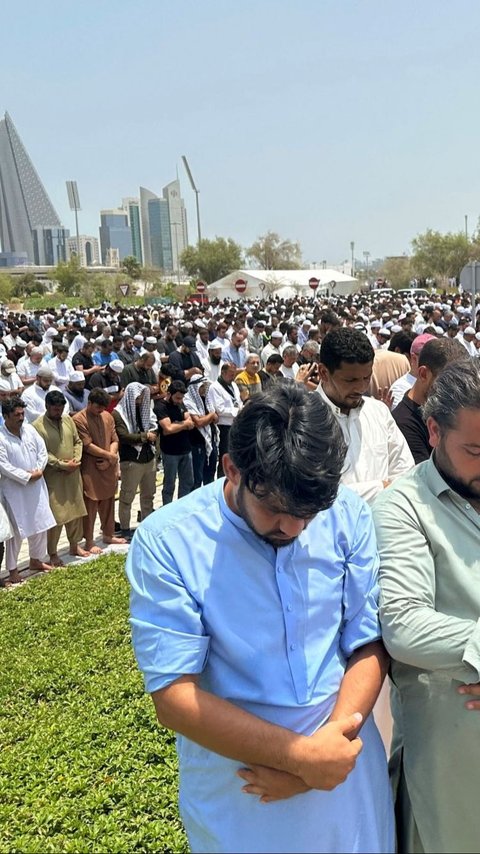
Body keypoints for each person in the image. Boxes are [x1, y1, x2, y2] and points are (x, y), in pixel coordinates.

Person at [126, 383, 394, 854]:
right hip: (246, 786)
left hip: (345, 765)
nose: (293, 528)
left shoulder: (347, 513)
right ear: (232, 469)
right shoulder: (168, 542)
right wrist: (301, 760)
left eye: (309, 515)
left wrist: (325, 753)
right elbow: (174, 696)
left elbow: (367, 642)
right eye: (275, 510)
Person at [372, 359, 480, 854]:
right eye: (476, 451)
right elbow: (404, 625)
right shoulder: (404, 507)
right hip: (454, 752)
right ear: (433, 430)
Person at [318, 328, 414, 503]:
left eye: (367, 378)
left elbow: (406, 475)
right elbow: (315, 495)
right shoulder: (301, 419)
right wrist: (380, 488)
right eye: (351, 380)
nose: (361, 388)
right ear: (324, 372)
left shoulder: (379, 412)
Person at [0, 396, 55, 584]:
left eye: (22, 413)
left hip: (36, 485)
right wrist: (26, 476)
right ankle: (13, 570)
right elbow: (3, 465)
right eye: (17, 414)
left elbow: (42, 451)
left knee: (40, 524)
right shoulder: (1, 436)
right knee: (17, 531)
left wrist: (39, 470)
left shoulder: (30, 430)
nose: (21, 417)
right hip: (14, 490)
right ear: (6, 416)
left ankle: (36, 560)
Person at [32, 390, 89, 566]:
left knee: (75, 512)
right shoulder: (37, 426)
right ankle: (53, 553)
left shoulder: (67, 419)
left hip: (72, 473)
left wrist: (76, 460)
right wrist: (61, 464)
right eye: (55, 409)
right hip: (53, 477)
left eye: (61, 408)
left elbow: (77, 441)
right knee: (56, 517)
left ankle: (74, 545)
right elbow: (42, 453)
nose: (58, 412)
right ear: (47, 406)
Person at [392, 337, 469, 464]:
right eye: (448, 383)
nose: (456, 392)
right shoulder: (404, 424)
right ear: (423, 374)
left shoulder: (445, 409)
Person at [72, 389, 127, 552]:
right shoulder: (79, 419)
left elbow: (114, 439)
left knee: (109, 501)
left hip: (108, 465)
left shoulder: (108, 416)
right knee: (91, 503)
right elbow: (87, 445)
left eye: (103, 408)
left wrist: (110, 457)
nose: (100, 411)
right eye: (97, 408)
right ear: (89, 403)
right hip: (91, 466)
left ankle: (108, 534)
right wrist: (109, 457)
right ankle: (89, 541)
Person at [112, 382, 158, 537]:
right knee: (127, 497)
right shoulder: (119, 414)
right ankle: (125, 529)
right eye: (138, 397)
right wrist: (145, 436)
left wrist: (152, 433)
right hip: (131, 460)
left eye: (142, 397)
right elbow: (124, 436)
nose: (140, 400)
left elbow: (154, 426)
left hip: (148, 457)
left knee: (148, 495)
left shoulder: (145, 409)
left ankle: (146, 526)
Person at [154, 380, 194, 505]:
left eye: (181, 398)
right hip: (170, 452)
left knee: (187, 482)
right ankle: (167, 508)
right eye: (177, 398)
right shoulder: (161, 407)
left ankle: (182, 508)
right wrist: (183, 424)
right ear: (169, 394)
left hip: (186, 450)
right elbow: (168, 429)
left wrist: (177, 425)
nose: (179, 401)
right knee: (169, 485)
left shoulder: (181, 404)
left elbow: (190, 422)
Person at [206, 362, 242, 478]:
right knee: (225, 455)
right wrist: (237, 412)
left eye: (234, 374)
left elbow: (238, 401)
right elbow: (220, 409)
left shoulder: (234, 385)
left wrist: (241, 408)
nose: (233, 376)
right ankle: (222, 479)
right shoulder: (215, 387)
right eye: (231, 374)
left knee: (234, 455)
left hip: (235, 424)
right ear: (223, 372)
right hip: (224, 426)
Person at [183, 376, 219, 489]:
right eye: (202, 386)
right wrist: (211, 416)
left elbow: (216, 418)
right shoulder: (188, 400)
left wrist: (209, 417)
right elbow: (198, 422)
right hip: (197, 442)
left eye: (205, 386)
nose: (204, 389)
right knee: (197, 477)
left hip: (211, 440)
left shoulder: (206, 399)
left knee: (210, 474)